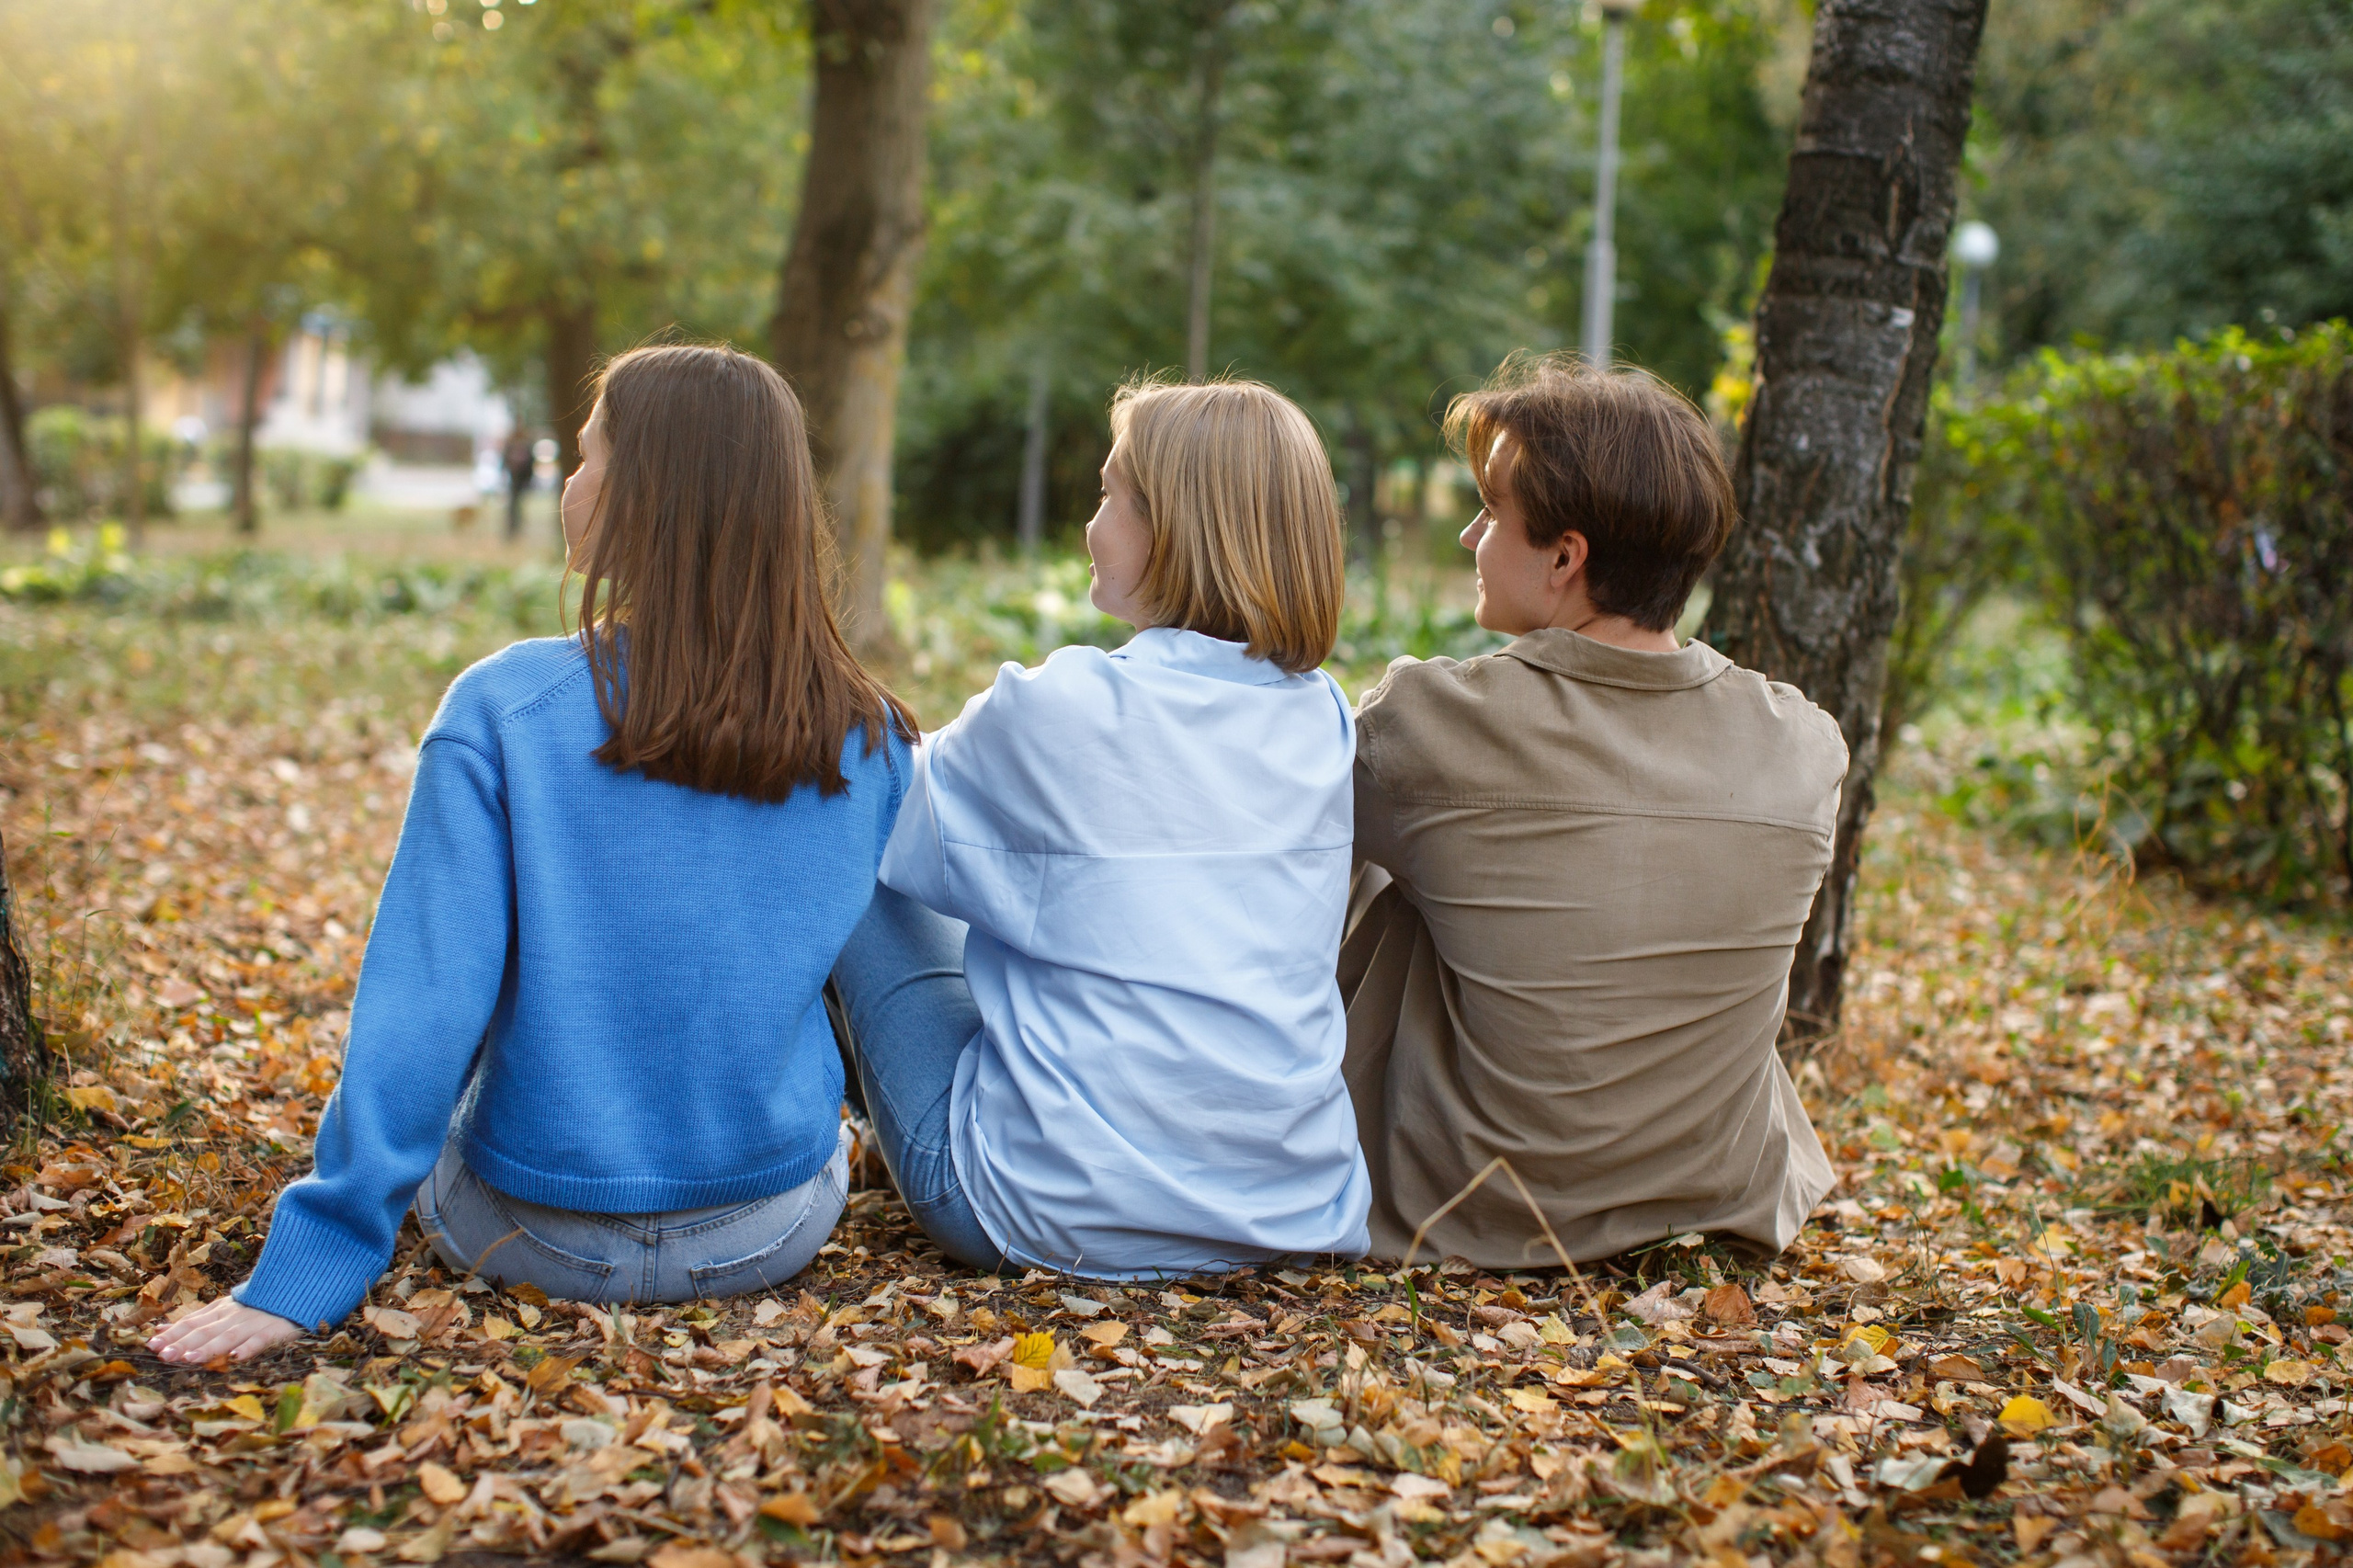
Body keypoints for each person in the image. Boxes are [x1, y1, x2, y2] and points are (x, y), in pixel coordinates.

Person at [150, 344, 915, 1364]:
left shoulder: (503, 710)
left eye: (589, 456)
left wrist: (310, 1266)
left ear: (647, 496)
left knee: (459, 1105)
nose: (568, 482)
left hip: (531, 1234)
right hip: (767, 1230)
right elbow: (889, 992)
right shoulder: (874, 739)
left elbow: (425, 1005)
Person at [827, 378, 1370, 1278]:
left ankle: (740, 1149)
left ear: (1179, 530)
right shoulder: (1322, 717)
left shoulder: (1063, 707)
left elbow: (877, 813)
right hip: (1284, 1211)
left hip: (1034, 1211)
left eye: (1112, 493)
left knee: (844, 802)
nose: (1091, 523)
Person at [1340, 352, 1847, 1269]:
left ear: (1565, 556)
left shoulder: (1432, 723)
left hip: (1476, 1206)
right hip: (1716, 1193)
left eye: (1491, 511)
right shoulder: (1803, 744)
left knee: (1377, 849)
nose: (1468, 536)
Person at [502, 427, 537, 541]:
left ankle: (517, 527)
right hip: (513, 478)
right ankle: (511, 529)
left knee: (519, 504)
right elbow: (505, 460)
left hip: (522, 478)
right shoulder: (511, 444)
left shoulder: (526, 444)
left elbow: (531, 463)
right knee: (512, 505)